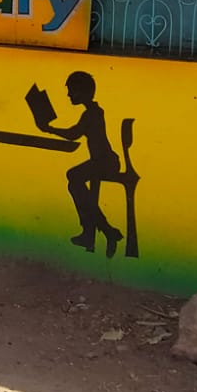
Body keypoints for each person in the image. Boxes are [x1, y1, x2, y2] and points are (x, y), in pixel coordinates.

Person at [37, 71, 123, 258]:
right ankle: (103, 230)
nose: (69, 95)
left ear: (82, 92)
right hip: (101, 162)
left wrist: (49, 129)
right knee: (74, 182)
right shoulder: (93, 112)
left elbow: (73, 134)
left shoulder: (92, 114)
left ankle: (100, 230)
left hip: (106, 162)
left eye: (71, 91)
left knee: (73, 177)